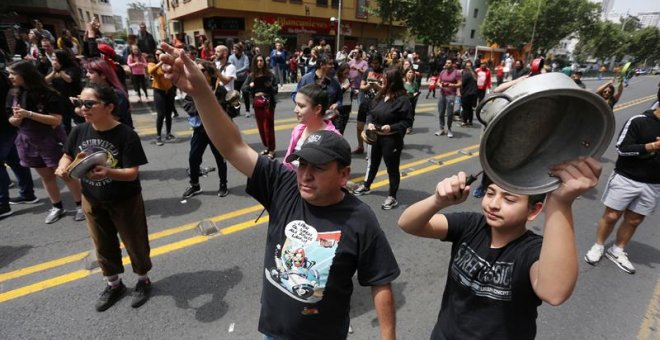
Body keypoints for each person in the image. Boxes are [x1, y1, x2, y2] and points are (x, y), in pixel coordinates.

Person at [159, 42, 399, 340]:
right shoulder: (285, 183)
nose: (306, 176)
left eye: (319, 168)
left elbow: (381, 282)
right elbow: (233, 146)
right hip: (274, 331)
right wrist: (201, 92)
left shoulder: (360, 218)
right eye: (302, 165)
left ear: (343, 175)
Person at [398, 157, 602, 339]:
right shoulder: (471, 225)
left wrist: (560, 202)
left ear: (534, 210)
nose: (494, 204)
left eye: (509, 199)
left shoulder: (532, 251)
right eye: (490, 192)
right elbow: (408, 223)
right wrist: (437, 201)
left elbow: (555, 293)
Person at [55, 83, 152, 311]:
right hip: (92, 198)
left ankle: (143, 280)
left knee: (135, 242)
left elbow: (131, 174)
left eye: (89, 103)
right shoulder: (79, 130)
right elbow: (67, 155)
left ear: (108, 107)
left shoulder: (126, 135)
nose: (83, 108)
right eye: (80, 103)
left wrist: (108, 172)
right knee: (102, 244)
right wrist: (62, 167)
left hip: (125, 200)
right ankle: (114, 284)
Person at [583, 88, 660, 274]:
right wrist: (651, 146)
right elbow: (622, 148)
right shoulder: (639, 121)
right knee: (611, 216)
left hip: (653, 183)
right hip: (627, 178)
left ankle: (617, 250)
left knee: (634, 220)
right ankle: (598, 246)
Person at [7, 60, 84, 224]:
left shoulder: (48, 93)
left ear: (25, 74)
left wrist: (28, 114)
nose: (10, 76)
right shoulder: (14, 94)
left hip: (50, 140)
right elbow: (12, 121)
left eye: (13, 73)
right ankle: (57, 206)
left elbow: (56, 120)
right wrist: (17, 118)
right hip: (27, 142)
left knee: (65, 173)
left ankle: (81, 205)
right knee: (46, 176)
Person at [353, 68, 413, 210]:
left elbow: (407, 121)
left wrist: (391, 127)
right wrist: (371, 123)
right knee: (373, 163)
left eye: (386, 78)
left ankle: (392, 196)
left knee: (392, 168)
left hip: (391, 139)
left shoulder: (402, 100)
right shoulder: (380, 95)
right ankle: (367, 185)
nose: (382, 80)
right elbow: (370, 112)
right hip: (375, 137)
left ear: (393, 81)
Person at [181, 60, 232, 198]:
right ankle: (195, 185)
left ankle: (223, 185)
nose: (198, 72)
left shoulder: (219, 89)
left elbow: (227, 109)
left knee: (220, 159)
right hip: (200, 130)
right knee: (193, 158)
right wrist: (200, 109)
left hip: (216, 131)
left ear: (209, 74)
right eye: (197, 70)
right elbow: (186, 104)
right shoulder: (194, 88)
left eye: (202, 70)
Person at [1, 67, 38, 218]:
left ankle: (3, 204)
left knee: (13, 159)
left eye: (13, 74)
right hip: (8, 123)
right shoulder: (3, 76)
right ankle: (27, 193)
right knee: (14, 159)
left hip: (5, 124)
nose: (11, 76)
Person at [283, 83, 340, 169]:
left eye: (301, 106)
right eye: (296, 105)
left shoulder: (333, 139)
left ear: (317, 109)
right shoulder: (298, 130)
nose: (295, 110)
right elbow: (287, 163)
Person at [242, 54, 278, 159]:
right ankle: (267, 147)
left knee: (268, 127)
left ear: (264, 62)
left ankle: (272, 149)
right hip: (257, 102)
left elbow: (275, 90)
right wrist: (250, 86)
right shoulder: (251, 76)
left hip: (268, 102)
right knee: (261, 127)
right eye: (257, 61)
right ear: (254, 63)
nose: (259, 63)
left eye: (261, 60)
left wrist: (270, 86)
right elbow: (243, 88)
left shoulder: (270, 75)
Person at [84, 58, 133, 128]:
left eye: (91, 72)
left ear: (103, 75)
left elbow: (113, 119)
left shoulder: (117, 95)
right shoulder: (94, 91)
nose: (87, 75)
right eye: (87, 72)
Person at [45, 49, 83, 134]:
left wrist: (60, 70)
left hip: (72, 97)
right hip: (60, 98)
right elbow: (45, 81)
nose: (53, 60)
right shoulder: (52, 69)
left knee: (78, 118)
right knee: (65, 121)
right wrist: (54, 71)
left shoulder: (72, 67)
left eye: (55, 58)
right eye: (52, 58)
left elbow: (69, 79)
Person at [354, 53, 384, 154]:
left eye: (376, 63)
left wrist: (377, 87)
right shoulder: (367, 71)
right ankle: (360, 146)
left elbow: (387, 89)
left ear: (380, 63)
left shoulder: (385, 73)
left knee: (373, 128)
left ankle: (372, 150)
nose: (374, 65)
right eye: (372, 63)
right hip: (365, 102)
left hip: (377, 103)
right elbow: (361, 87)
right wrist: (368, 86)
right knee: (359, 126)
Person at [148, 51, 175, 146]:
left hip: (169, 90)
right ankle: (158, 136)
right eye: (157, 54)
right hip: (159, 91)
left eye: (161, 54)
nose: (159, 56)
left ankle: (168, 133)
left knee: (169, 113)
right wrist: (161, 62)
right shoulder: (152, 64)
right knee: (161, 114)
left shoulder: (168, 64)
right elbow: (150, 72)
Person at [435, 59, 462, 138]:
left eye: (449, 63)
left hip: (451, 95)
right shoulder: (443, 72)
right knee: (441, 112)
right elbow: (438, 81)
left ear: (452, 64)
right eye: (446, 63)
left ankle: (449, 129)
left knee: (450, 114)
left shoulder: (457, 72)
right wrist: (440, 85)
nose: (447, 64)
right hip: (442, 94)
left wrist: (451, 85)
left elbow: (460, 83)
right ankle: (441, 129)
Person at [332, 63, 353, 135]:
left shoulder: (347, 80)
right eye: (345, 73)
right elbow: (335, 94)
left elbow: (349, 93)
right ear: (340, 72)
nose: (347, 75)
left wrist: (353, 91)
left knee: (342, 130)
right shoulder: (335, 80)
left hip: (347, 107)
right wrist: (344, 88)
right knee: (337, 130)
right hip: (339, 107)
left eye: (348, 73)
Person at [459, 60, 478, 127]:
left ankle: (464, 121)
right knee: (470, 108)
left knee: (465, 108)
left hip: (466, 93)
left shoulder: (466, 73)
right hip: (474, 94)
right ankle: (470, 121)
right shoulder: (475, 73)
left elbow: (462, 83)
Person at [403, 67, 420, 134]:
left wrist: (415, 94)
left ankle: (409, 127)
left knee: (411, 115)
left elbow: (417, 92)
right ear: (406, 73)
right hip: (403, 102)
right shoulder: (402, 83)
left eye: (412, 72)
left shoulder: (415, 84)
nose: (411, 74)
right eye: (409, 72)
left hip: (412, 102)